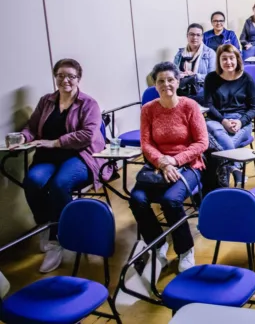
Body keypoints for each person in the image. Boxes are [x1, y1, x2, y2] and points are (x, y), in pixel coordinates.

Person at [18, 59, 107, 273]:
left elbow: (87, 135)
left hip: (80, 155)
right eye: (60, 75)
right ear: (55, 77)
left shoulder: (89, 103)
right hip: (48, 156)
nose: (65, 80)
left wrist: (56, 142)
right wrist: (23, 137)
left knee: (60, 184)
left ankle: (58, 239)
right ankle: (46, 224)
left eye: (71, 76)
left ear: (78, 78)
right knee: (32, 181)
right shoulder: (46, 101)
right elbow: (32, 127)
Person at [129, 62, 207, 273]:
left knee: (170, 200)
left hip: (189, 165)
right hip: (157, 166)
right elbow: (146, 144)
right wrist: (162, 161)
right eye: (160, 81)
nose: (166, 84)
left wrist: (175, 160)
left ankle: (185, 249)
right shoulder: (148, 109)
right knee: (136, 199)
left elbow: (202, 143)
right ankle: (158, 243)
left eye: (170, 80)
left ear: (178, 81)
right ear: (155, 85)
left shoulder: (189, 106)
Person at [203, 45, 255, 187]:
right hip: (217, 120)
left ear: (237, 59)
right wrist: (223, 121)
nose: (228, 62)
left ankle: (221, 180)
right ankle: (235, 167)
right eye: (224, 59)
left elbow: (254, 108)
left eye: (231, 58)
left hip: (241, 121)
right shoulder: (211, 78)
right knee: (215, 131)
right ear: (219, 61)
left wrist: (240, 122)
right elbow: (209, 106)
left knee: (218, 150)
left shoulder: (247, 79)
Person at [174, 23, 216, 103]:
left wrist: (194, 76)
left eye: (198, 35)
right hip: (181, 89)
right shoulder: (180, 54)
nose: (195, 37)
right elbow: (173, 73)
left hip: (201, 89)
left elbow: (212, 77)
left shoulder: (210, 53)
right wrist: (181, 75)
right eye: (192, 34)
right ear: (187, 36)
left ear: (202, 37)